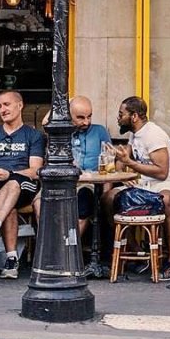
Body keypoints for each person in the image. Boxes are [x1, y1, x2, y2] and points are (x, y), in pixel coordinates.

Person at [112, 96, 170, 281]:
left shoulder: (153, 135)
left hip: (168, 183)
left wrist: (131, 164)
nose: (118, 118)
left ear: (134, 116)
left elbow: (162, 172)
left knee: (166, 200)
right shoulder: (134, 134)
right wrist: (121, 168)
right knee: (109, 199)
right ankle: (138, 252)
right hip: (145, 185)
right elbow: (124, 159)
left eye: (122, 114)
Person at [0, 90, 44, 280]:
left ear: (20, 105)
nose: (2, 109)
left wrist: (11, 173)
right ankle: (11, 260)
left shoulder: (33, 135)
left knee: (13, 184)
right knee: (10, 208)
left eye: (7, 104)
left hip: (24, 186)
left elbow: (36, 170)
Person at [67, 96, 112, 239]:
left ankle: (69, 252)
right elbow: (45, 123)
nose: (86, 122)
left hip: (90, 183)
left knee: (84, 199)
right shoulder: (61, 133)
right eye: (80, 117)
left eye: (89, 116)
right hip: (64, 181)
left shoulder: (100, 132)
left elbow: (110, 164)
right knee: (41, 204)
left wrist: (105, 195)